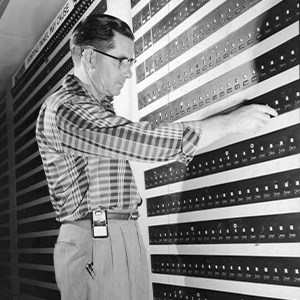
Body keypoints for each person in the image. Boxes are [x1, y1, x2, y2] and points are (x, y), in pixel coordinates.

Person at [35, 14, 278, 300]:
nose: (128, 72)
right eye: (121, 61)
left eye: (131, 62)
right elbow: (136, 140)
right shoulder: (64, 109)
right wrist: (227, 124)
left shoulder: (96, 109)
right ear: (89, 57)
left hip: (118, 234)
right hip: (95, 241)